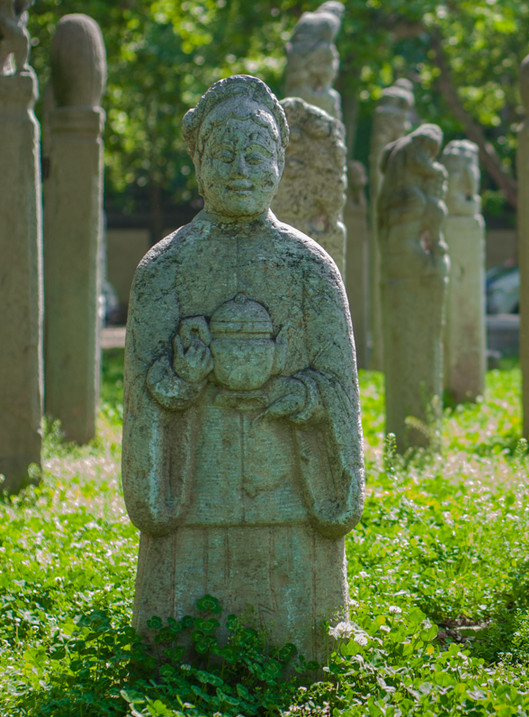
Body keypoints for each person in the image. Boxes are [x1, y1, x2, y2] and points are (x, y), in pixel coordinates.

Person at [122, 74, 363, 664]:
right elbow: (142, 400)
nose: (239, 168)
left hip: (289, 495)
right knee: (183, 632)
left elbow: (339, 387)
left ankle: (307, 650)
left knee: (298, 634)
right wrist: (177, 382)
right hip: (193, 498)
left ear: (280, 161)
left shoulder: (308, 268)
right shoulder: (165, 268)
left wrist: (304, 397)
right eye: (223, 153)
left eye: (256, 153)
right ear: (199, 161)